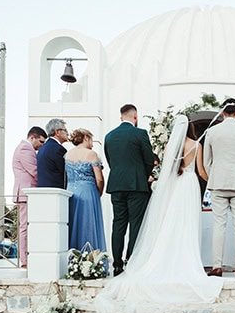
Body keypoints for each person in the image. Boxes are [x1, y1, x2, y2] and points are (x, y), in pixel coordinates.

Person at [95, 114, 222, 313]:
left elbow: (166, 171)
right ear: (190, 129)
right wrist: (214, 180)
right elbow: (201, 171)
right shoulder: (196, 145)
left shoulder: (169, 147)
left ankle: (125, 262)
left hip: (175, 187)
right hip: (189, 186)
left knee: (171, 223)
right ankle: (186, 258)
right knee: (187, 224)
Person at [203, 98, 235, 277]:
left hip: (218, 182)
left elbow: (206, 161)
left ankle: (217, 266)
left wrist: (215, 173)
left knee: (219, 224)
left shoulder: (212, 132)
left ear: (222, 113)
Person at [104, 103, 155, 276]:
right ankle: (131, 261)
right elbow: (149, 159)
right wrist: (145, 175)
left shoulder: (109, 136)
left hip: (117, 185)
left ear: (121, 117)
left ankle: (117, 265)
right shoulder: (140, 134)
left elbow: (111, 161)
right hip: (137, 185)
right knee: (136, 224)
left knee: (118, 223)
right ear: (135, 117)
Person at [65, 128, 107, 259]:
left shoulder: (67, 155)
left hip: (70, 190)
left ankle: (73, 260)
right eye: (91, 140)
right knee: (88, 224)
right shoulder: (91, 154)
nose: (93, 144)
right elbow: (99, 178)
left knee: (73, 224)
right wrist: (98, 191)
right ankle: (91, 259)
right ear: (86, 138)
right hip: (88, 192)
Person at [12, 126, 47, 267]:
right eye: (41, 141)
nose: (41, 145)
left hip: (27, 192)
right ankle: (24, 261)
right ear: (32, 137)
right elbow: (35, 171)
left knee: (28, 226)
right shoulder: (25, 149)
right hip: (26, 192)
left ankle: (28, 257)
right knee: (25, 227)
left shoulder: (26, 148)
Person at [37, 118, 69, 189]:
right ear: (57, 132)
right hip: (56, 192)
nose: (68, 133)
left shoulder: (41, 149)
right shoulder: (58, 149)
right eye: (65, 130)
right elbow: (65, 173)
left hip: (41, 191)